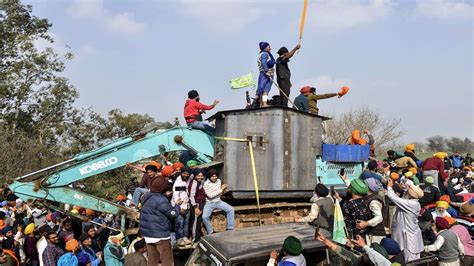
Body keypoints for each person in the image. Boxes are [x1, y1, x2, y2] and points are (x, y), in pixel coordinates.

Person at [139, 177, 180, 266]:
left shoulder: (146, 196)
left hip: (148, 234)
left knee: (152, 259)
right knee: (167, 260)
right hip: (160, 234)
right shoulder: (161, 200)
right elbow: (173, 214)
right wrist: (177, 205)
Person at [386, 178, 424, 262]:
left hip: (408, 238)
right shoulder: (411, 202)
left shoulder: (411, 204)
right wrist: (405, 185)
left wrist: (389, 187)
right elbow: (403, 197)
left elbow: (393, 197)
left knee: (409, 260)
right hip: (409, 234)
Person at [316, 232, 392, 266]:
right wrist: (325, 240)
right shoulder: (360, 261)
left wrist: (364, 246)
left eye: (367, 253)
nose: (365, 253)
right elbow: (342, 252)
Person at [202, 169, 234, 234]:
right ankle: (210, 231)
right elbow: (210, 196)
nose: (214, 178)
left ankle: (230, 228)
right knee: (204, 217)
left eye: (215, 176)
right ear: (209, 177)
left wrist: (224, 190)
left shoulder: (219, 181)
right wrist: (221, 189)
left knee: (231, 209)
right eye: (212, 176)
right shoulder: (206, 184)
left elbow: (220, 193)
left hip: (218, 201)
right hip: (209, 202)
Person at [358, 178, 386, 245]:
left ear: (368, 187)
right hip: (370, 233)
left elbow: (379, 217)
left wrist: (366, 223)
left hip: (375, 235)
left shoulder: (374, 201)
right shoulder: (368, 197)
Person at [172, 166, 192, 247]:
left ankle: (185, 237)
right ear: (181, 173)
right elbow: (176, 195)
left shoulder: (189, 179)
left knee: (186, 222)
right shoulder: (178, 182)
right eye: (184, 173)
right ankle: (179, 239)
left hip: (187, 205)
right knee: (180, 223)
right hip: (179, 206)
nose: (186, 175)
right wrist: (179, 207)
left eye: (187, 174)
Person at [188, 168, 206, 242]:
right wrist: (195, 207)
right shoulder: (194, 183)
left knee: (198, 221)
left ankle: (197, 237)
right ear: (195, 175)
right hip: (197, 204)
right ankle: (194, 239)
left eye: (202, 176)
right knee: (195, 222)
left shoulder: (199, 182)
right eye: (198, 175)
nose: (200, 177)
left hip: (200, 203)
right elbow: (191, 196)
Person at [257, 42, 275, 107]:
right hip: (266, 73)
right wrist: (266, 71)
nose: (270, 48)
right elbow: (264, 63)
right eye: (269, 47)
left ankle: (263, 103)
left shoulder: (262, 54)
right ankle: (263, 103)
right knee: (264, 89)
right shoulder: (265, 54)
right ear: (265, 47)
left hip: (266, 73)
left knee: (265, 90)